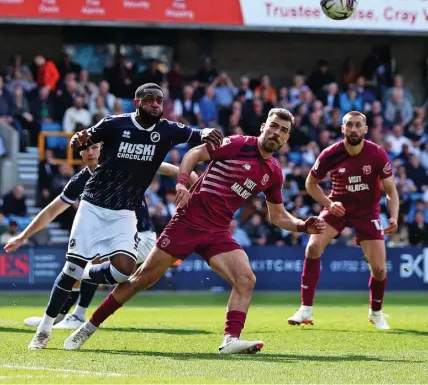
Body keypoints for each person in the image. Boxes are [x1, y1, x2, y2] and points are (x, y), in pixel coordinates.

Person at [64, 108, 326, 353]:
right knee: (141, 279)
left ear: (287, 138)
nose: (275, 133)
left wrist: (303, 225)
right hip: (188, 222)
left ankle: (231, 340)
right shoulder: (238, 144)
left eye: (282, 130)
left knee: (246, 279)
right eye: (273, 126)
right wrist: (181, 184)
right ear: (263, 127)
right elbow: (193, 154)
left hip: (217, 232)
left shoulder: (273, 172)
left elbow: (278, 216)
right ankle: (87, 328)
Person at [27, 83, 222, 349]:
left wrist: (209, 132)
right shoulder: (114, 124)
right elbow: (84, 139)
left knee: (123, 271)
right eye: (150, 100)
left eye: (159, 101)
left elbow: (196, 134)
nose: (156, 104)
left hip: (124, 212)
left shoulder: (167, 129)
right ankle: (44, 329)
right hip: (94, 206)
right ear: (137, 102)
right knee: (71, 267)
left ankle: (83, 274)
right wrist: (77, 140)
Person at [4, 143, 197, 329]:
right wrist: (22, 237)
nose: (90, 152)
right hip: (116, 239)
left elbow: (170, 169)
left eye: (95, 147)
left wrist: (194, 182)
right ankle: (60, 317)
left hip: (141, 237)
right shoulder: (82, 178)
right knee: (79, 265)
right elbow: (51, 211)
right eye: (85, 148)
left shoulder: (125, 164)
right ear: (79, 154)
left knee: (87, 263)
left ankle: (76, 315)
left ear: (103, 149)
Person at [287, 111, 399, 330]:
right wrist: (329, 204)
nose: (354, 129)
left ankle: (376, 313)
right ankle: (305, 310)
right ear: (343, 128)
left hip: (368, 213)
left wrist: (393, 216)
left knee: (379, 269)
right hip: (337, 209)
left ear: (365, 129)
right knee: (313, 247)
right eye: (349, 125)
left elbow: (391, 191)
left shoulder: (376, 154)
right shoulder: (330, 154)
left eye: (358, 125)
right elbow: (310, 184)